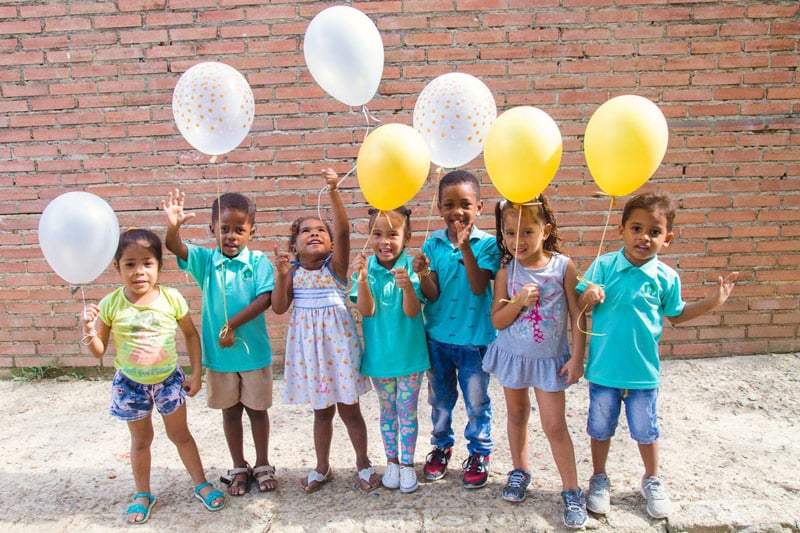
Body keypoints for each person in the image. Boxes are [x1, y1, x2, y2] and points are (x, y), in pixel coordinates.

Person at [577, 192, 738, 519]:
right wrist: (589, 296)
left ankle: (652, 479)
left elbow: (676, 315)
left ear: (668, 239)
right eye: (636, 228)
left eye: (654, 232)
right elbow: (579, 304)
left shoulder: (666, 278)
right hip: (604, 371)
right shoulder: (604, 265)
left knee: (646, 430)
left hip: (643, 374)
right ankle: (599, 478)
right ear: (620, 229)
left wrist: (713, 302)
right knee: (600, 428)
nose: (643, 237)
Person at [80, 228, 225, 525]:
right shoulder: (110, 304)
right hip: (130, 386)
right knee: (141, 441)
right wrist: (89, 328)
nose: (139, 272)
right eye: (129, 264)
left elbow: (190, 335)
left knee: (180, 435)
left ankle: (201, 483)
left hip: (168, 382)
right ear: (116, 267)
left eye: (147, 263)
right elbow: (98, 351)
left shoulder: (171, 298)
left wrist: (197, 374)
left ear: (159, 265)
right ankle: (142, 494)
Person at [162, 190, 277, 496]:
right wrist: (173, 227)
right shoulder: (205, 260)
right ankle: (239, 465)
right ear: (211, 229)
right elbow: (174, 246)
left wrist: (231, 324)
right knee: (230, 412)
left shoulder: (258, 261)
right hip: (220, 358)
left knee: (257, 412)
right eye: (224, 229)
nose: (231, 236)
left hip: (253, 356)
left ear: (252, 230)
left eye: (240, 229)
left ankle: (263, 463)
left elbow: (265, 299)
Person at [271, 168, 379, 493]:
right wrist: (279, 277)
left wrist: (333, 190)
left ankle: (363, 462)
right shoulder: (292, 272)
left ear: (331, 243)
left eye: (321, 230)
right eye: (306, 231)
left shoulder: (336, 268)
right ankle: (322, 467)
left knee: (350, 410)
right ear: (294, 245)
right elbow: (278, 308)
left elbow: (344, 231)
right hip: (312, 357)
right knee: (321, 413)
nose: (314, 233)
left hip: (340, 353)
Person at [482, 197, 588, 528]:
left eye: (527, 232)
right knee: (516, 414)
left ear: (546, 231)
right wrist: (517, 302)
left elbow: (577, 315)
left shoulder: (562, 267)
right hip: (512, 356)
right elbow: (498, 321)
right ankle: (519, 470)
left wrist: (577, 357)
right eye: (510, 233)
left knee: (555, 425)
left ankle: (572, 490)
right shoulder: (506, 271)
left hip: (549, 362)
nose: (518, 242)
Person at [412, 169, 500, 489]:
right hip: (437, 339)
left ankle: (479, 452)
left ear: (479, 207)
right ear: (439, 208)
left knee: (476, 401)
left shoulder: (488, 244)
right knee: (440, 399)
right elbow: (432, 293)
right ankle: (441, 446)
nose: (457, 212)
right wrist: (423, 274)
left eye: (465, 204)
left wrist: (465, 247)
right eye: (449, 204)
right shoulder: (432, 243)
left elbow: (479, 287)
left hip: (475, 341)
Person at [350, 206, 430, 494]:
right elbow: (367, 310)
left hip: (410, 358)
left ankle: (408, 465)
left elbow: (412, 312)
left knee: (407, 411)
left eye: (392, 235)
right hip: (380, 360)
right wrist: (360, 278)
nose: (384, 241)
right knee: (387, 412)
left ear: (406, 237)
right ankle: (392, 462)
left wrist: (408, 286)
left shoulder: (412, 265)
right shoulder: (365, 268)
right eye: (377, 234)